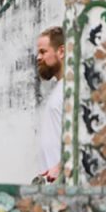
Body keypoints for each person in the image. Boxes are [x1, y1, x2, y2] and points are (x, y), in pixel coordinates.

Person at [36, 26, 65, 183]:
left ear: (61, 52)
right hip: (52, 184)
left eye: (43, 52)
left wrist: (61, 167)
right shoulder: (59, 89)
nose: (38, 57)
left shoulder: (71, 90)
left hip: (63, 185)